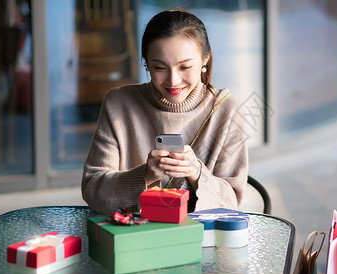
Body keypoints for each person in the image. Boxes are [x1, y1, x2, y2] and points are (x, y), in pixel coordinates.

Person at [81, 8, 248, 215]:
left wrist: (196, 173)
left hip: (200, 239)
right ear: (147, 64)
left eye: (185, 67)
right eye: (160, 67)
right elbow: (92, 189)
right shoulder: (119, 103)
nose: (173, 80)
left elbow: (232, 202)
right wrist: (146, 175)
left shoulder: (228, 110)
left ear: (204, 60)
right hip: (133, 235)